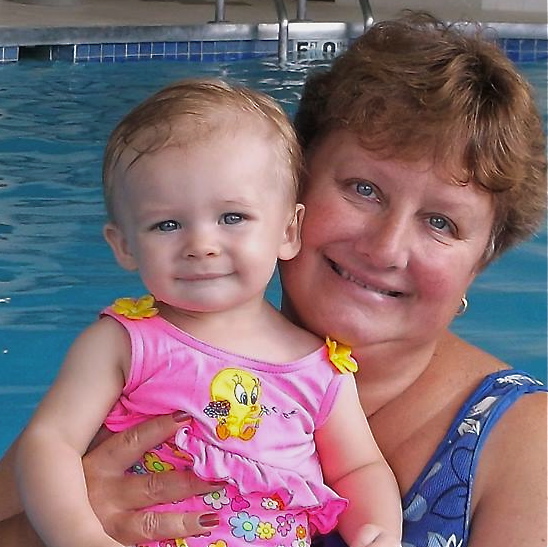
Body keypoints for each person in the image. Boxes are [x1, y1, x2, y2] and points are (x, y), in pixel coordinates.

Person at [0, 9, 546, 547]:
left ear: (480, 262)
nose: (385, 248)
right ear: (292, 196)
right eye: (363, 189)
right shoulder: (138, 357)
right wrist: (47, 531)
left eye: (441, 223)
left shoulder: (528, 447)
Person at [11, 79, 403, 547]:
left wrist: (377, 532)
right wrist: (80, 536)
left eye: (232, 217)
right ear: (124, 245)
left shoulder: (319, 369)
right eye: (167, 224)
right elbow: (50, 442)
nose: (201, 245)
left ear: (288, 230)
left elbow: (360, 468)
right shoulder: (125, 343)